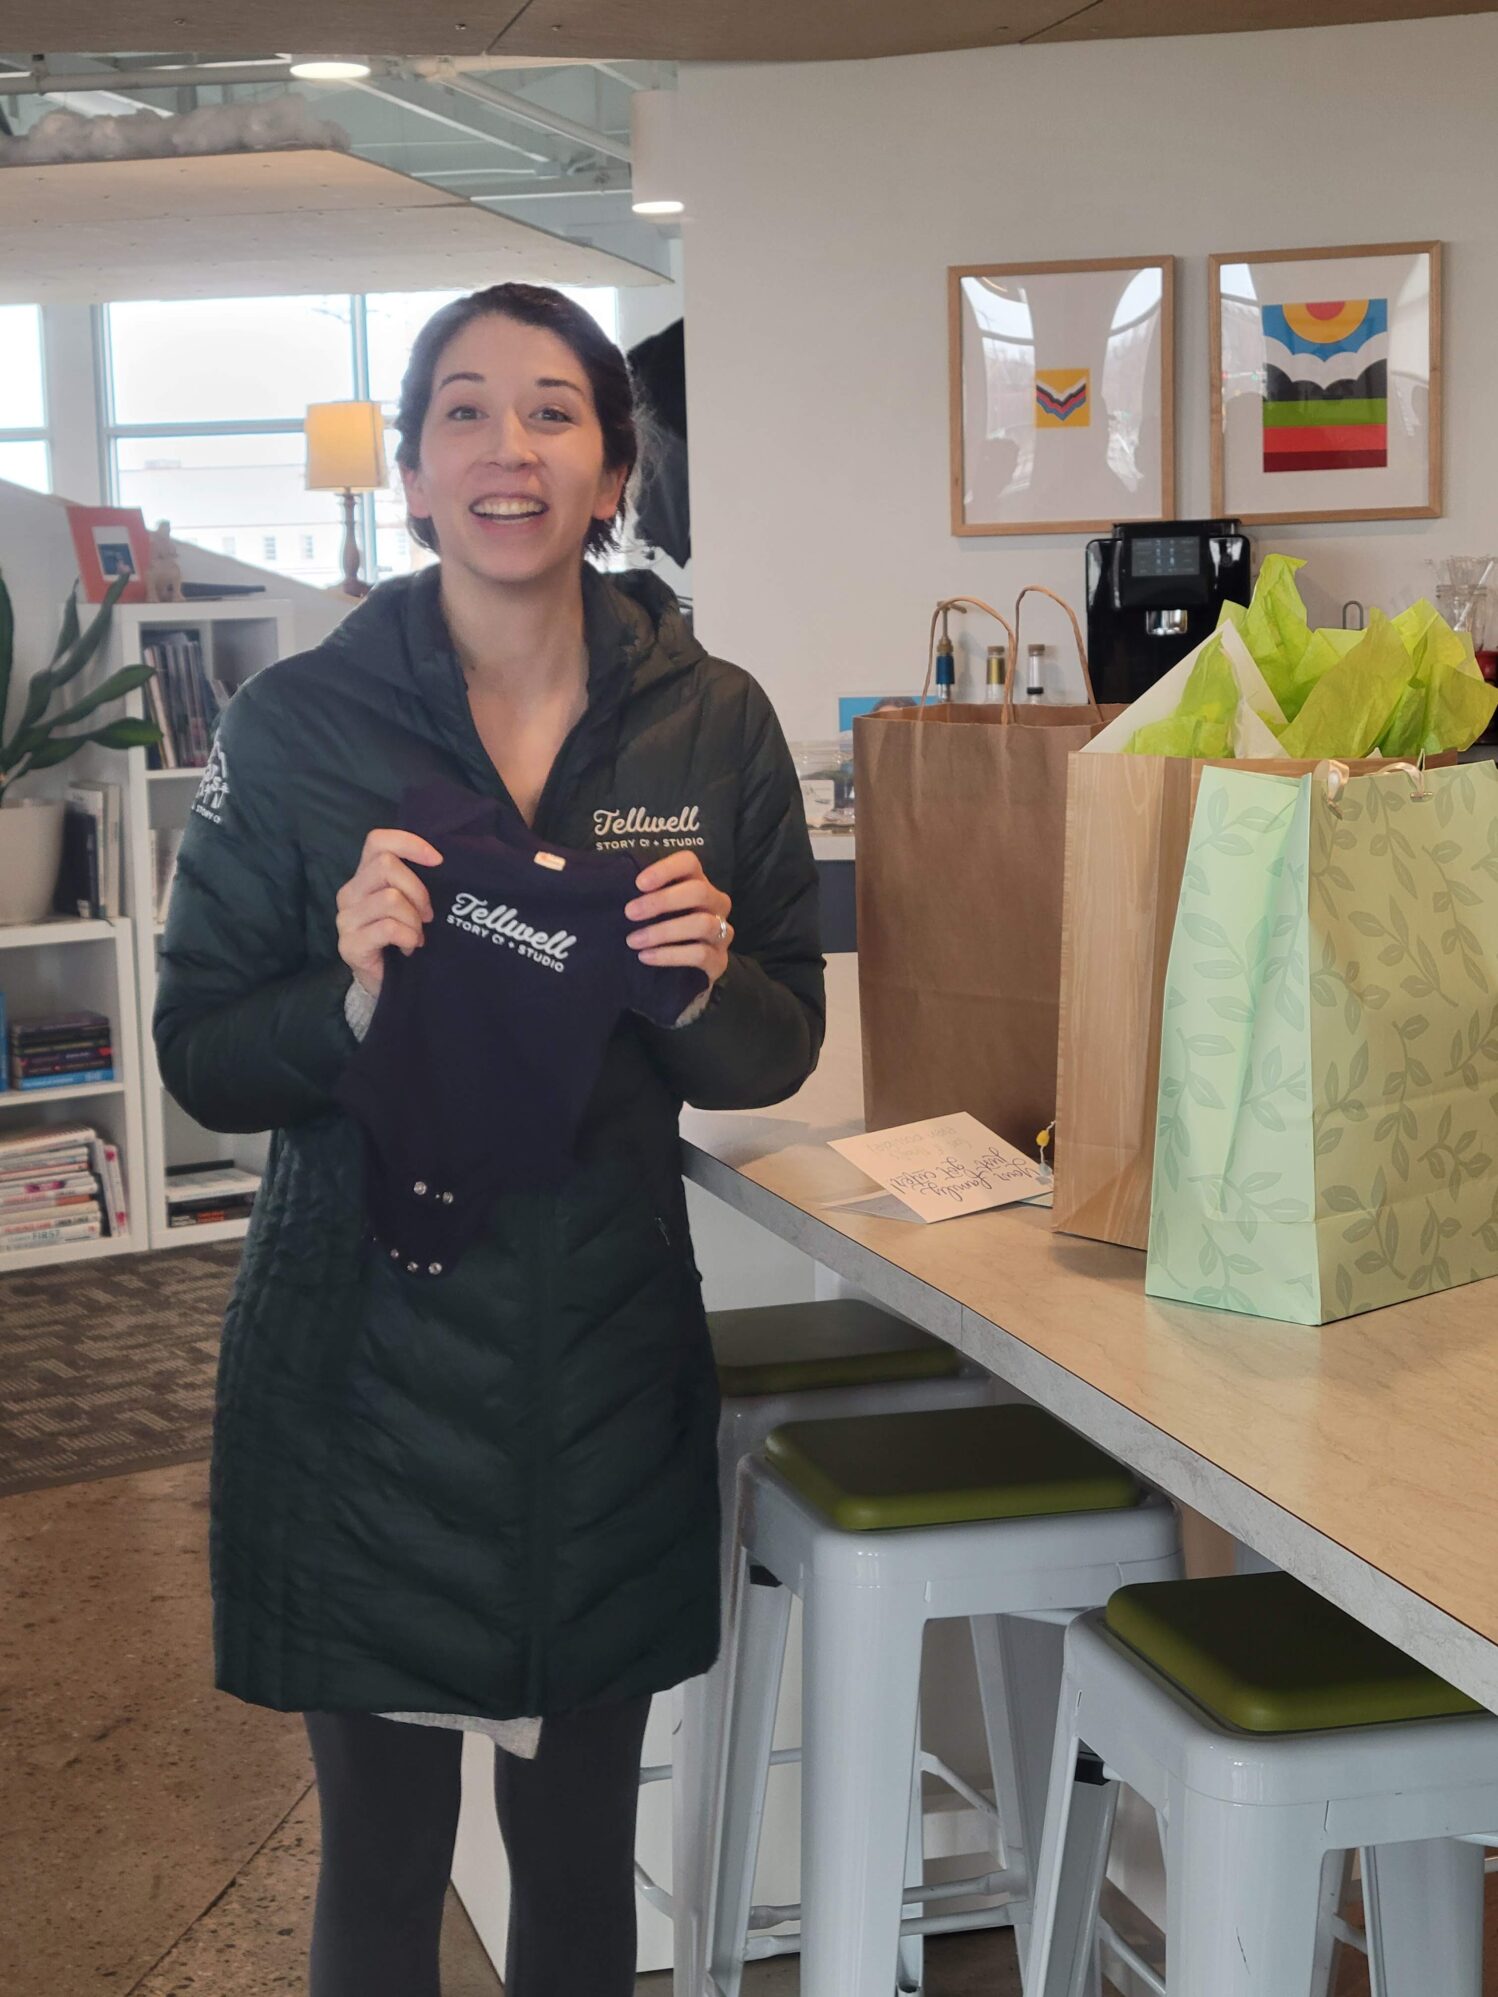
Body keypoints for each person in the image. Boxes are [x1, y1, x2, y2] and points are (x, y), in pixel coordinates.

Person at [153, 281, 825, 1997]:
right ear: (412, 465)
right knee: (382, 1865)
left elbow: (774, 1045)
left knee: (580, 1861)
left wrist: (696, 981)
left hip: (599, 1373)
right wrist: (352, 995)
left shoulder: (714, 720)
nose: (506, 448)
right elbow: (203, 1060)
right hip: (359, 1370)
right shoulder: (298, 726)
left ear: (613, 469)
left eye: (550, 410)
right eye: (463, 409)